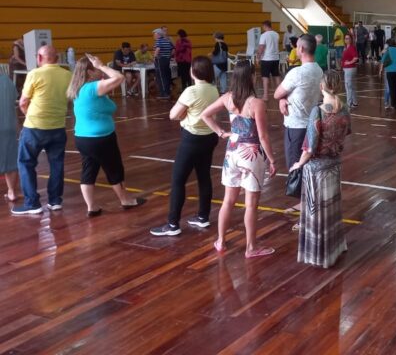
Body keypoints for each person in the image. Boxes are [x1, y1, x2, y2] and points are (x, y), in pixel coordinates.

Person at [202, 61, 277, 258]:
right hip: (251, 154)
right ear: (251, 77)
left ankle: (221, 240)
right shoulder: (256, 104)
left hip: (232, 151)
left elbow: (205, 115)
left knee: (228, 200)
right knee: (251, 204)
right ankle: (251, 248)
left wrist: (220, 132)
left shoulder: (227, 98)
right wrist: (272, 159)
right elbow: (263, 136)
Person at [66, 54, 145, 216]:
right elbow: (119, 77)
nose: (100, 71)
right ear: (89, 72)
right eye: (95, 69)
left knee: (88, 171)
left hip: (82, 138)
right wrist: (101, 65)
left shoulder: (79, 88)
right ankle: (126, 200)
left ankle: (92, 207)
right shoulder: (92, 88)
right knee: (114, 169)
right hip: (100, 138)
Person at [150, 56, 220, 236]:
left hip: (192, 139)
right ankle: (203, 216)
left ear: (193, 71)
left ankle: (173, 224)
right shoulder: (213, 89)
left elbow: (173, 115)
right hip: (209, 137)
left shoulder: (191, 91)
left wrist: (184, 114)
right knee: (204, 177)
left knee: (178, 181)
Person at [291, 70, 352, 268]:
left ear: (321, 86)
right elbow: (346, 132)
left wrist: (299, 164)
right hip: (334, 165)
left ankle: (319, 254)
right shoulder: (344, 109)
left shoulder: (317, 111)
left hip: (317, 170)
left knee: (316, 213)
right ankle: (335, 247)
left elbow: (310, 147)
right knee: (332, 210)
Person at [12, 46, 72, 215]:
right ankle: (55, 200)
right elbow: (69, 98)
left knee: (26, 163)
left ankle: (32, 203)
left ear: (39, 57)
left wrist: (29, 116)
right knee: (57, 164)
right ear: (57, 58)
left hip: (34, 127)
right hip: (58, 127)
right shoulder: (68, 75)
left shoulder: (35, 74)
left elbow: (23, 102)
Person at [275, 34, 323, 211]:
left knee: (296, 167)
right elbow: (282, 95)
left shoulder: (297, 73)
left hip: (296, 127)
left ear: (301, 49)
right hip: (311, 124)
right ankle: (306, 203)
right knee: (307, 165)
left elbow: (277, 93)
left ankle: (307, 208)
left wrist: (281, 98)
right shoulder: (318, 70)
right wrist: (283, 99)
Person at [1, 74, 19, 202]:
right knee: (11, 160)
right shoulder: (7, 81)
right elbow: (14, 102)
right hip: (9, 125)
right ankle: (11, 192)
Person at [257, 20, 281, 101]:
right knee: (276, 76)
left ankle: (265, 96)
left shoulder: (264, 35)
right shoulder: (276, 34)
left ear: (264, 26)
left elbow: (261, 47)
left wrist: (258, 57)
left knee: (265, 77)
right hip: (275, 58)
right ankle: (280, 94)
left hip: (266, 58)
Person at [153, 27, 174, 100]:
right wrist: (168, 56)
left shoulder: (159, 41)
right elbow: (172, 49)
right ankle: (167, 92)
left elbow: (158, 49)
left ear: (158, 34)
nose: (154, 36)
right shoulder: (167, 41)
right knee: (166, 76)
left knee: (161, 77)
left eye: (155, 34)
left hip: (160, 60)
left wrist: (154, 57)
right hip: (166, 60)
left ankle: (164, 94)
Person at [341, 33, 359, 109]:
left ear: (351, 39)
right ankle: (354, 102)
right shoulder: (346, 47)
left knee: (348, 87)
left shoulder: (351, 47)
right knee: (352, 86)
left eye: (348, 38)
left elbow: (356, 58)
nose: (346, 40)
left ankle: (349, 104)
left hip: (350, 69)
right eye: (345, 38)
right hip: (348, 69)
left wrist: (349, 62)